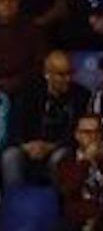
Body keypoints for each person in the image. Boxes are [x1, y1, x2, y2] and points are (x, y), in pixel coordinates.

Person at [3, 50, 85, 188]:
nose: (68, 79)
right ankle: (15, 203)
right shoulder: (29, 92)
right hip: (29, 148)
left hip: (60, 148)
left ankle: (57, 204)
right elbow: (14, 126)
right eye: (61, 75)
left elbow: (78, 133)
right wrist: (25, 145)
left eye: (70, 73)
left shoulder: (81, 96)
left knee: (60, 158)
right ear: (47, 74)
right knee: (10, 157)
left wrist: (51, 146)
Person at [0, 0, 45, 99]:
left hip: (24, 90)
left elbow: (39, 63)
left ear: (18, 2)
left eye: (11, 0)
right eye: (2, 1)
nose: (7, 5)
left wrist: (17, 81)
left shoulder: (32, 29)